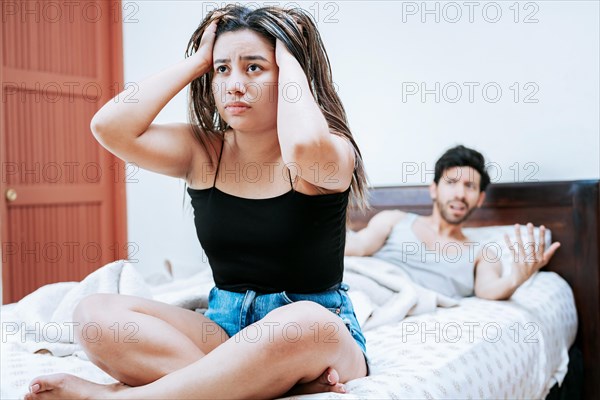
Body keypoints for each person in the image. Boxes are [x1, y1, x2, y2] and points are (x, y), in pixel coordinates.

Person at [25, 5, 369, 400]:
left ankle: (120, 397)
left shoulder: (333, 152)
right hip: (221, 331)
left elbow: (305, 144)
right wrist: (198, 61)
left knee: (303, 322)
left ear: (291, 76)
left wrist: (291, 52)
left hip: (315, 335)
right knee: (94, 315)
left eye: (254, 68)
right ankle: (256, 382)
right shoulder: (204, 152)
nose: (233, 85)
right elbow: (109, 127)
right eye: (223, 70)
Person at [345, 145, 561, 301]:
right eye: (451, 183)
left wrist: (516, 278)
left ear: (480, 198)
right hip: (358, 289)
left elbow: (488, 289)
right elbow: (358, 246)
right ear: (434, 189)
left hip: (400, 304)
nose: (460, 193)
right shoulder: (394, 220)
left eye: (470, 186)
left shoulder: (482, 254)